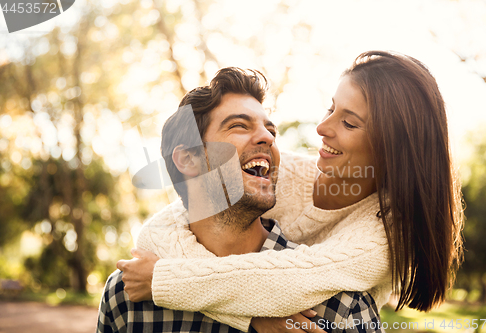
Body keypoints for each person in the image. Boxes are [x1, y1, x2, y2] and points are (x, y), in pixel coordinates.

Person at [119, 51, 464, 333]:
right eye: (331, 109)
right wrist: (251, 317)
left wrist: (165, 282)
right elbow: (170, 222)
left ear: (390, 151)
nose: (321, 127)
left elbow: (294, 281)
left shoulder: (382, 238)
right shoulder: (281, 172)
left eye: (349, 122)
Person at [100, 67, 383, 333]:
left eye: (271, 131)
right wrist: (249, 316)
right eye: (239, 126)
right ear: (188, 158)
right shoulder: (126, 297)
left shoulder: (340, 308)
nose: (268, 138)